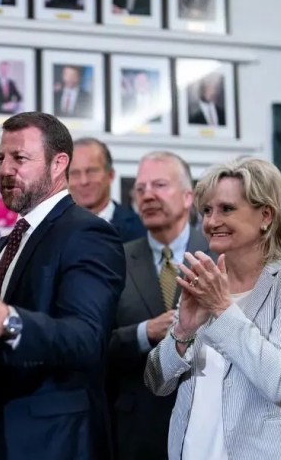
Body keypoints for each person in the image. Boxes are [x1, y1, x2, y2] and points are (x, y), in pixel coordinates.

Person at [0, 112, 126, 460]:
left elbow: (87, 338)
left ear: (58, 164)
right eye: (2, 158)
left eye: (20, 158)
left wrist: (8, 321)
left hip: (54, 442)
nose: (5, 170)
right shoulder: (3, 246)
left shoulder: (87, 233)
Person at [144, 157, 281, 460]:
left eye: (227, 209)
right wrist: (182, 333)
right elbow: (157, 382)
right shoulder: (203, 276)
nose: (212, 221)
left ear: (266, 215)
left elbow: (280, 381)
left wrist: (222, 307)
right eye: (206, 210)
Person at [107, 151, 208, 460]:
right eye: (140, 189)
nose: (147, 195)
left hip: (208, 422)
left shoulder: (217, 255)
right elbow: (96, 341)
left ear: (188, 196)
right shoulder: (115, 259)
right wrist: (144, 332)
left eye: (159, 185)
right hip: (139, 428)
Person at [68, 137, 146, 243]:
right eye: (75, 173)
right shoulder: (50, 231)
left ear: (110, 175)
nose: (84, 181)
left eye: (91, 171)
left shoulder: (142, 229)